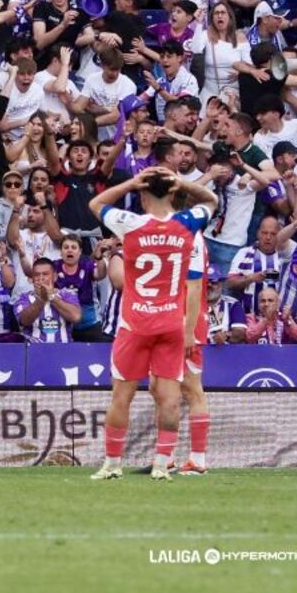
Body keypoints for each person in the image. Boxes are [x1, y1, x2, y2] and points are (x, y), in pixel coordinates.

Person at [88, 166, 217, 481]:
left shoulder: (131, 224)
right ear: (172, 192)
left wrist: (130, 182)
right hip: (172, 324)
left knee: (122, 394)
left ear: (142, 194)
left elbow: (95, 204)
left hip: (135, 323)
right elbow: (212, 199)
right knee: (171, 396)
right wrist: (182, 181)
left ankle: (112, 464)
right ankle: (162, 464)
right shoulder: (187, 225)